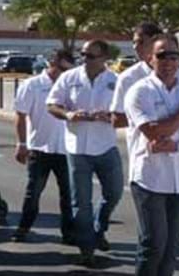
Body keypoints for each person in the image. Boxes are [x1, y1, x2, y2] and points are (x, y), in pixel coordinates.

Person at [125, 34, 179, 276]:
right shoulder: (139, 92)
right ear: (150, 58)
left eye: (174, 55)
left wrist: (177, 146)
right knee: (153, 247)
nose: (169, 61)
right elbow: (154, 131)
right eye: (162, 55)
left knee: (171, 250)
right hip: (150, 179)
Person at [47, 39, 122, 267]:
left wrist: (109, 117)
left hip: (106, 146)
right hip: (77, 148)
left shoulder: (115, 81)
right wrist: (69, 115)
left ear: (104, 58)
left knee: (114, 192)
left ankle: (100, 228)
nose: (84, 59)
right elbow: (52, 105)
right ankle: (87, 249)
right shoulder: (69, 77)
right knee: (81, 202)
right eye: (83, 54)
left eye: (90, 56)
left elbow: (126, 114)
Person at [11, 48, 77, 244]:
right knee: (33, 192)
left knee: (68, 195)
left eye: (68, 70)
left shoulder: (71, 86)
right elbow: (20, 115)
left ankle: (69, 233)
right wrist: (21, 143)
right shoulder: (32, 85)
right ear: (51, 64)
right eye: (61, 69)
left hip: (65, 149)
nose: (64, 74)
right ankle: (23, 228)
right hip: (39, 148)